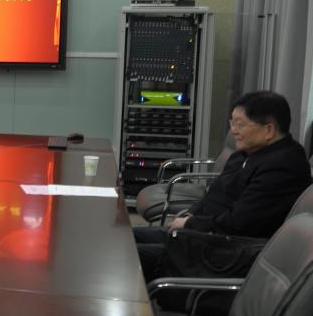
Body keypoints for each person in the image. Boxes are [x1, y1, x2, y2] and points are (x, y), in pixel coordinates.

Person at [134, 90, 312, 282]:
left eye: (240, 124)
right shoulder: (245, 154)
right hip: (200, 235)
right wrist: (189, 215)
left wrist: (189, 224)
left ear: (269, 130)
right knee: (123, 238)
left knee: (126, 255)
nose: (233, 130)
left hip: (221, 253)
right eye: (232, 123)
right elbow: (213, 196)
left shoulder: (283, 166)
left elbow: (239, 223)